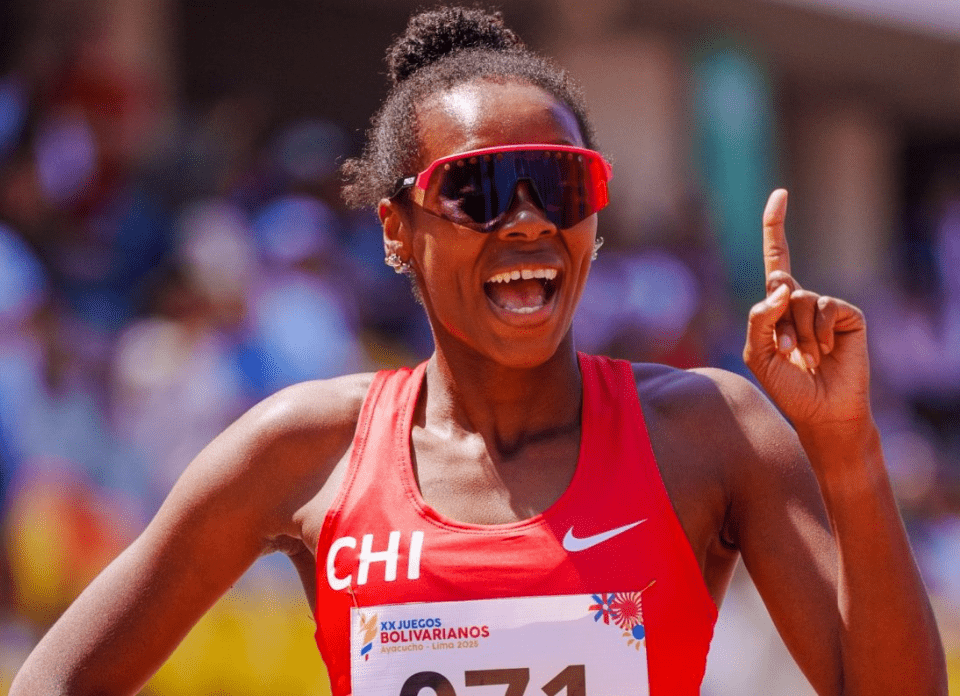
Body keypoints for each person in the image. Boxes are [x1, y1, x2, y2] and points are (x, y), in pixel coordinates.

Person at [10, 6, 947, 696]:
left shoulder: (709, 432)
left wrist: (847, 448)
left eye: (560, 184)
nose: (529, 220)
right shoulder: (302, 449)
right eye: (479, 190)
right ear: (395, 228)